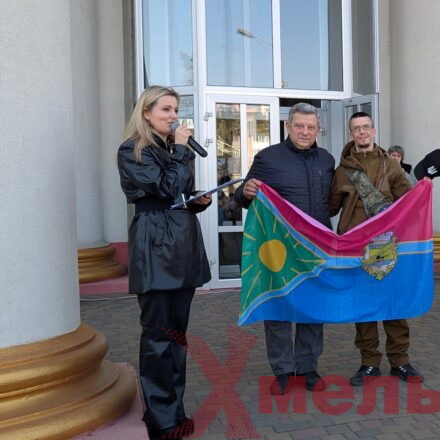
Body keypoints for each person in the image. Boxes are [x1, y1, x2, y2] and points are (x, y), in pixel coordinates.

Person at [117, 86, 211, 440]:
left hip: (181, 243)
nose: (174, 116)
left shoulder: (172, 151)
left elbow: (178, 195)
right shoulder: (132, 150)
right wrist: (183, 152)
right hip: (155, 246)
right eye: (167, 109)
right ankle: (161, 421)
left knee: (176, 336)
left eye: (176, 109)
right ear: (146, 112)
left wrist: (196, 201)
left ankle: (175, 410)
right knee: (157, 337)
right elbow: (164, 189)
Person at [235, 103, 335, 395]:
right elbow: (244, 194)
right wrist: (245, 192)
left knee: (313, 310)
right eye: (299, 126)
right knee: (279, 308)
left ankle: (307, 368)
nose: (305, 132)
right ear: (288, 126)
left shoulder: (327, 160)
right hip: (278, 248)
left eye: (311, 127)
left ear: (318, 129)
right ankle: (281, 370)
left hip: (316, 247)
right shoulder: (268, 158)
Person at [329, 112, 423, 386]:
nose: (361, 132)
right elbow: (331, 207)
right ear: (350, 134)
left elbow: (409, 202)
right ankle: (369, 363)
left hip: (386, 244)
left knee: (394, 304)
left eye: (366, 127)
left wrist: (425, 187)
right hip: (355, 246)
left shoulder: (391, 167)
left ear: (373, 131)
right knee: (363, 307)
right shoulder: (342, 171)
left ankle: (400, 361)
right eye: (356, 129)